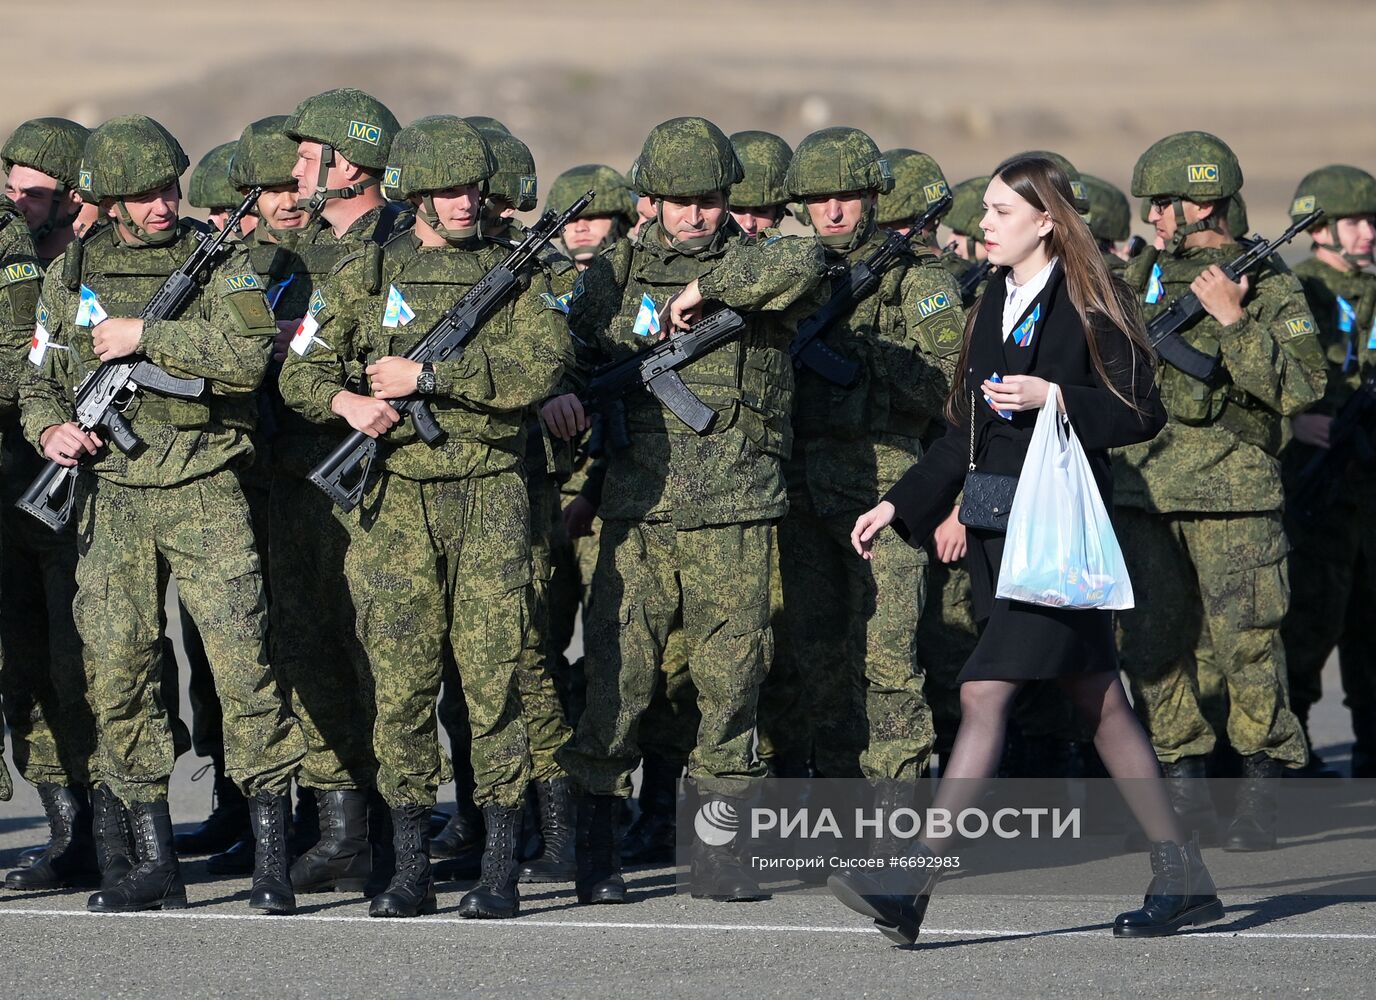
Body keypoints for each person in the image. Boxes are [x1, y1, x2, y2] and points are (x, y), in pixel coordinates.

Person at [829, 155, 1224, 944]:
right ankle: (1183, 876)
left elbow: (1141, 412)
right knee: (1100, 699)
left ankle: (910, 884)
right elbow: (962, 432)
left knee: (984, 693)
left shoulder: (1089, 300)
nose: (985, 223)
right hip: (997, 532)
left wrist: (1056, 400)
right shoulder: (988, 302)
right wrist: (898, 503)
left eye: (1001, 211)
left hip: (1057, 536)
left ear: (1046, 220)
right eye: (985, 210)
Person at [279, 115, 568, 920]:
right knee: (400, 684)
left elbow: (543, 365)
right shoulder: (365, 272)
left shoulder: (516, 275)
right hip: (394, 499)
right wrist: (348, 401)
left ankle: (502, 867)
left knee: (495, 678)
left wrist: (432, 377)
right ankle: (410, 869)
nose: (465, 200)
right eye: (447, 188)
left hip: (491, 494)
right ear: (414, 191)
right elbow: (301, 374)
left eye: (473, 185)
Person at [19, 114, 305, 914]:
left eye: (167, 188)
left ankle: (273, 859)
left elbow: (248, 360)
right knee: (118, 674)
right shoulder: (69, 274)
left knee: (245, 668)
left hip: (205, 487)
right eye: (141, 194)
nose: (159, 204)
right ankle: (152, 862)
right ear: (107, 199)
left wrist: (149, 335)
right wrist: (51, 428)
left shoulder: (222, 264)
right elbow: (40, 376)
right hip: (111, 497)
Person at [542, 116, 826, 905]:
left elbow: (807, 258)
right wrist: (562, 394)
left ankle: (720, 857)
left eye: (705, 200)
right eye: (676, 201)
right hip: (637, 511)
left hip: (735, 510)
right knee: (619, 680)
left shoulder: (758, 258)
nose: (693, 215)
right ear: (649, 200)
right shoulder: (612, 273)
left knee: (732, 683)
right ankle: (597, 855)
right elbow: (563, 347)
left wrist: (709, 288)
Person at [1115, 132, 1327, 851]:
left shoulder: (1267, 283)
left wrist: (1234, 322)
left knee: (1248, 646)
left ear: (1201, 203)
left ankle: (1262, 790)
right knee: (1152, 646)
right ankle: (1183, 787)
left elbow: (1302, 387)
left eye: (1162, 205)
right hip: (1144, 493)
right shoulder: (1143, 275)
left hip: (1234, 496)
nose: (1152, 218)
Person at [773, 127, 959, 787]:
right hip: (800, 486)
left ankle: (897, 813)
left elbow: (951, 384)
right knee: (816, 657)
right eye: (818, 198)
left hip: (885, 484)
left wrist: (864, 364)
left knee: (889, 662)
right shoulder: (787, 271)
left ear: (872, 196)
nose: (832, 211)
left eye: (846, 196)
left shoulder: (916, 277)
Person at [0, 118, 98, 891]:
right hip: (11, 490)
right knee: (24, 669)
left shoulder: (92, 266)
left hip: (75, 490)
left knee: (88, 663)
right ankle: (63, 828)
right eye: (11, 185)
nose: (18, 199)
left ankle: (116, 823)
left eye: (34, 188)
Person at [1281, 165, 1376, 779]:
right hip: (1319, 482)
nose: (1367, 233)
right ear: (1319, 230)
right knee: (1311, 619)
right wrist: (1293, 421)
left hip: (1369, 486)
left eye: (1372, 222)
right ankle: (1293, 746)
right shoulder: (1298, 293)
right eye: (1353, 222)